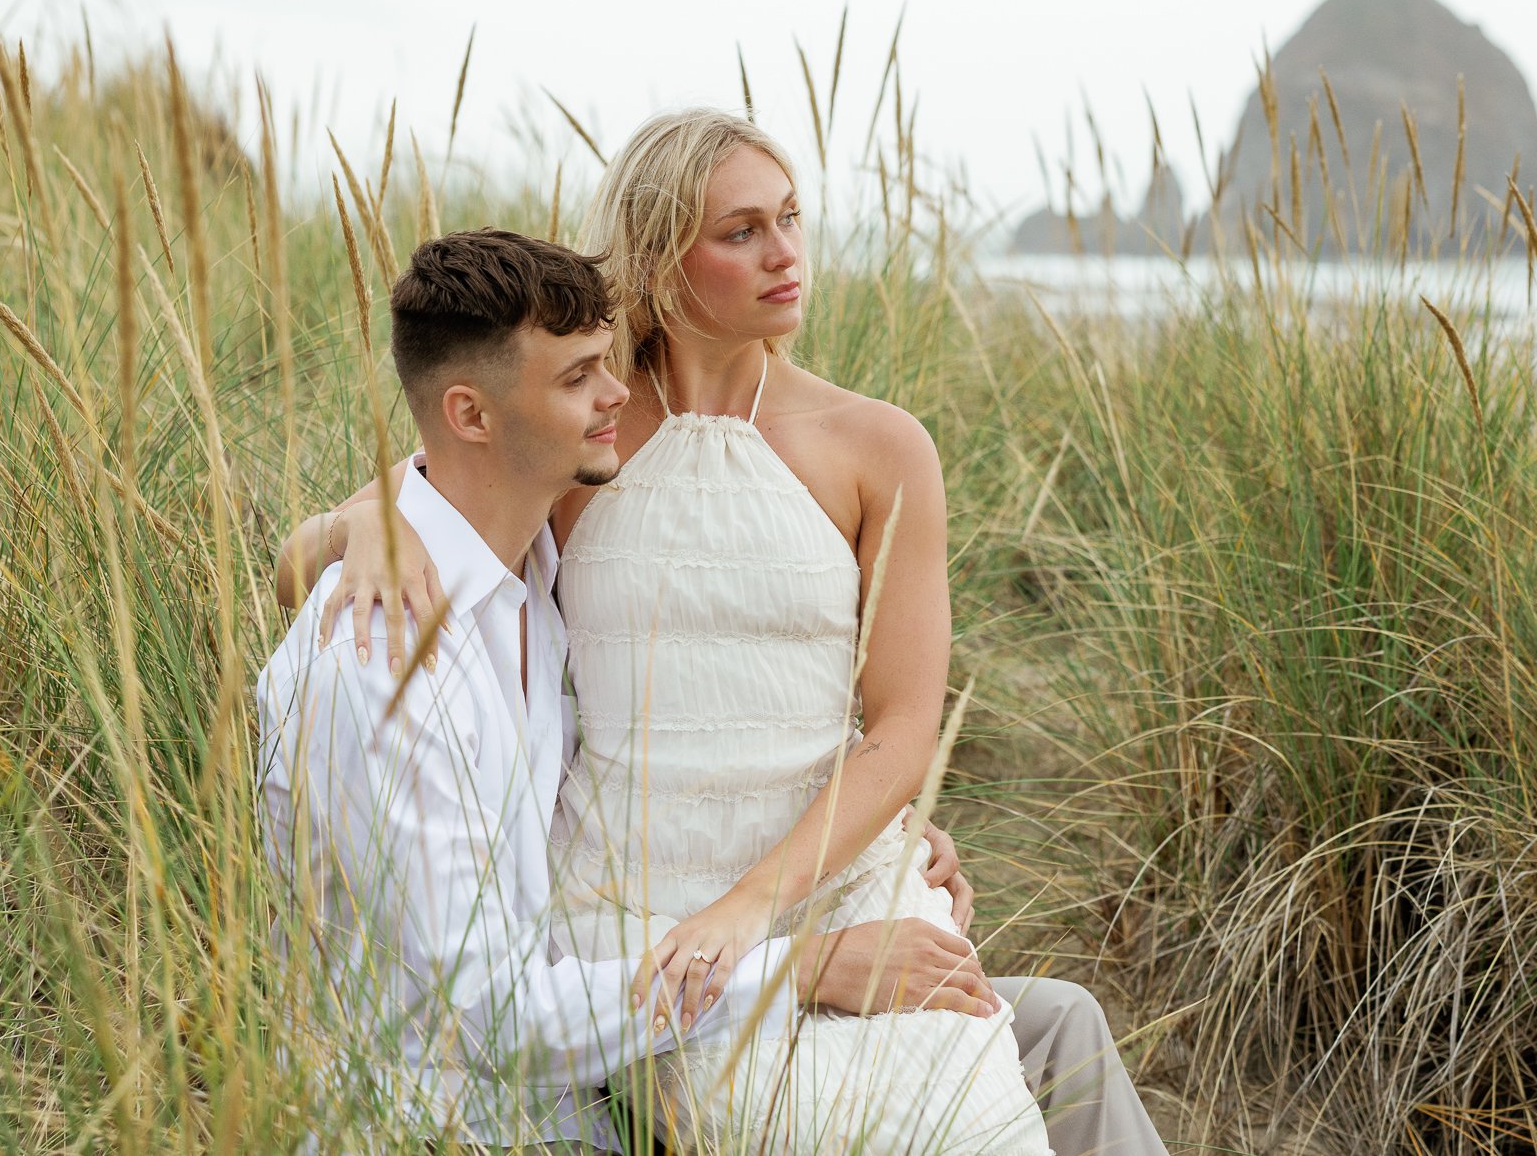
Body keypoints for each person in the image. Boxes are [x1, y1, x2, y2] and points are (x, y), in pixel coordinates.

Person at [280, 115, 1169, 1153]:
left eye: (790, 217)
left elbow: (905, 724)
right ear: (659, 258)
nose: (786, 251)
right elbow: (346, 537)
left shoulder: (878, 446)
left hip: (823, 865)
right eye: (741, 229)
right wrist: (367, 523)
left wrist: (769, 899)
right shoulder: (590, 432)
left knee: (974, 1113)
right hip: (631, 895)